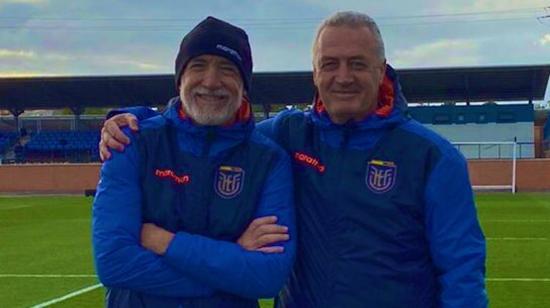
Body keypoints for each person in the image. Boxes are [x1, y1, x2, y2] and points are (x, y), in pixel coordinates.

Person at [99, 11, 488, 308]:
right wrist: (134, 119)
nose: (343, 76)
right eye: (330, 64)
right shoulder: (286, 135)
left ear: (381, 70)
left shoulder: (433, 157)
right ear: (315, 73)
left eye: (357, 63)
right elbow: (210, 126)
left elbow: (462, 272)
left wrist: (166, 243)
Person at [92, 16, 296, 308]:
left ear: (244, 85)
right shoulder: (131, 142)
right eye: (198, 66)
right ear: (180, 79)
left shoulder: (269, 160)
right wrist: (230, 263)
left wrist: (165, 243)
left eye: (227, 69)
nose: (211, 81)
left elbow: (267, 277)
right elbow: (114, 263)